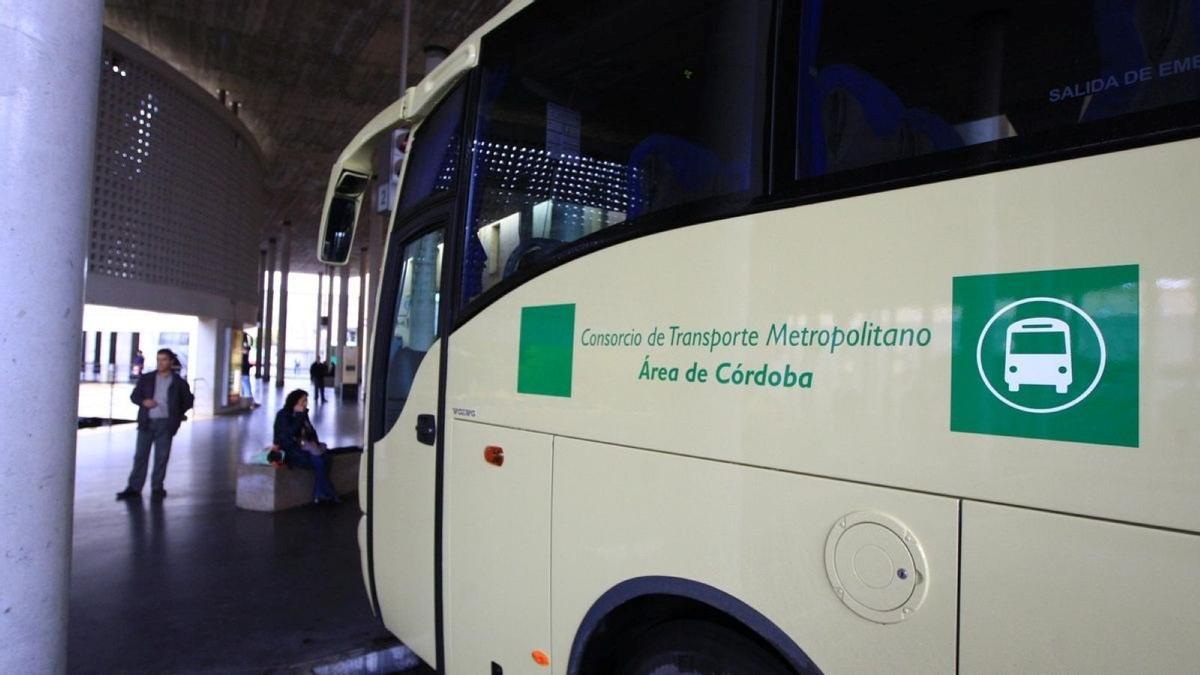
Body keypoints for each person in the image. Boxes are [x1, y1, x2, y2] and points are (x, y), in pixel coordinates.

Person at [116, 349, 194, 500]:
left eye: (164, 360)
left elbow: (188, 400)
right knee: (140, 455)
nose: (160, 363)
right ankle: (134, 487)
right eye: (158, 359)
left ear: (171, 362)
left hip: (166, 423)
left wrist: (176, 412)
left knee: (162, 456)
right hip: (147, 421)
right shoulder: (147, 378)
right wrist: (144, 402)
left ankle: (157, 486)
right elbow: (135, 396)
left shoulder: (178, 383)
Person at [273, 389, 338, 504]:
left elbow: (311, 432)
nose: (305, 404)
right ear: (295, 402)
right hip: (291, 450)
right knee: (320, 461)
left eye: (306, 401)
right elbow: (288, 434)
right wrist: (299, 417)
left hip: (305, 447)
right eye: (303, 401)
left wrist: (314, 442)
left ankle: (320, 493)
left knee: (325, 458)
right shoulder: (283, 415)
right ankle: (327, 492)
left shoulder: (303, 415)